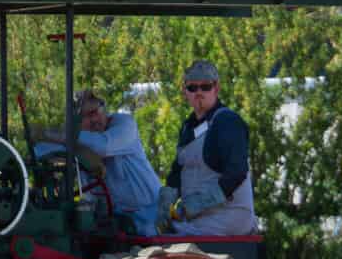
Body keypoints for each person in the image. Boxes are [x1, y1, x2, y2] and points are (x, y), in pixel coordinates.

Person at [164, 60, 257, 239]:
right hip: (199, 219)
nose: (199, 92)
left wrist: (199, 203)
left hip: (229, 216)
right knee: (148, 228)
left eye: (205, 86)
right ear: (185, 92)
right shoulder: (187, 127)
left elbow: (237, 172)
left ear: (216, 88)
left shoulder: (227, 122)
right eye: (192, 88)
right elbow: (177, 172)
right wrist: (165, 201)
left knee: (165, 241)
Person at [75, 88, 161, 239]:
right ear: (77, 122)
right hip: (119, 228)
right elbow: (43, 149)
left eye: (96, 111)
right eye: (86, 116)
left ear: (105, 109)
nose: (94, 119)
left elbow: (103, 146)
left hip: (154, 224)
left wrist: (63, 136)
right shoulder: (78, 144)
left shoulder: (124, 124)